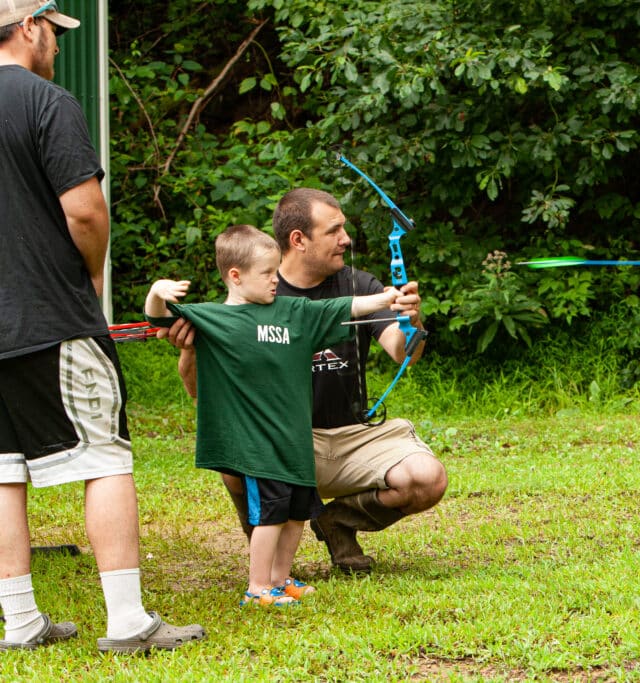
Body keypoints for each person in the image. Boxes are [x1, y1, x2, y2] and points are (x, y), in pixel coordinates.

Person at [0, 0, 204, 652]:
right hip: (51, 319)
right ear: (29, 27)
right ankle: (126, 619)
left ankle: (22, 620)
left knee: (2, 471)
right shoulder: (47, 103)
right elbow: (85, 213)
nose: (56, 48)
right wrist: (89, 277)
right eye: (54, 34)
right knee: (105, 456)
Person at [165, 188, 447, 573]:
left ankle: (337, 522)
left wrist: (410, 318)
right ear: (298, 239)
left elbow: (403, 353)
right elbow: (200, 392)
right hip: (282, 440)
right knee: (234, 460)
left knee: (427, 478)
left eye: (343, 229)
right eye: (334, 231)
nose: (346, 239)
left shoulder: (359, 286)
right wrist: (190, 353)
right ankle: (267, 562)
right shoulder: (250, 296)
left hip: (352, 437)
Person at [145, 224, 410, 605]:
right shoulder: (215, 319)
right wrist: (157, 292)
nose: (275, 281)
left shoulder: (292, 311)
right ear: (235, 276)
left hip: (295, 441)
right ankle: (257, 587)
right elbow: (159, 318)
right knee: (269, 516)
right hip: (258, 447)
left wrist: (387, 298)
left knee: (296, 515)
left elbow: (346, 306)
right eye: (267, 274)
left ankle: (280, 578)